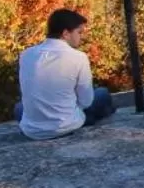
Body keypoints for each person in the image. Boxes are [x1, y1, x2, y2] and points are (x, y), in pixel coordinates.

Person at [15, 8, 115, 139]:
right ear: (66, 33)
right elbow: (86, 101)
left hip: (32, 130)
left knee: (19, 108)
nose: (81, 37)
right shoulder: (78, 57)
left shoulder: (26, 54)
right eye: (79, 32)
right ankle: (82, 120)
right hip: (65, 125)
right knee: (102, 94)